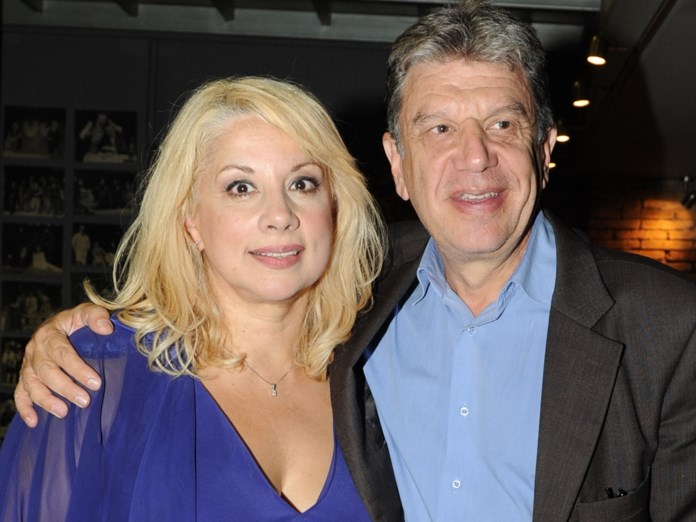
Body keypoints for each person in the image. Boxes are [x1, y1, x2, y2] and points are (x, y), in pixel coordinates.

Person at [12, 1, 696, 520]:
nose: (475, 157)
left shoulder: (665, 329)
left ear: (545, 147)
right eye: (439, 128)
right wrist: (71, 336)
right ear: (397, 163)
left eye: (502, 124)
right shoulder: (91, 375)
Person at [0, 76, 397, 520]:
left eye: (302, 184)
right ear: (191, 219)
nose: (280, 215)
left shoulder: (382, 377)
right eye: (241, 187)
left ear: (336, 208)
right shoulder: (92, 375)